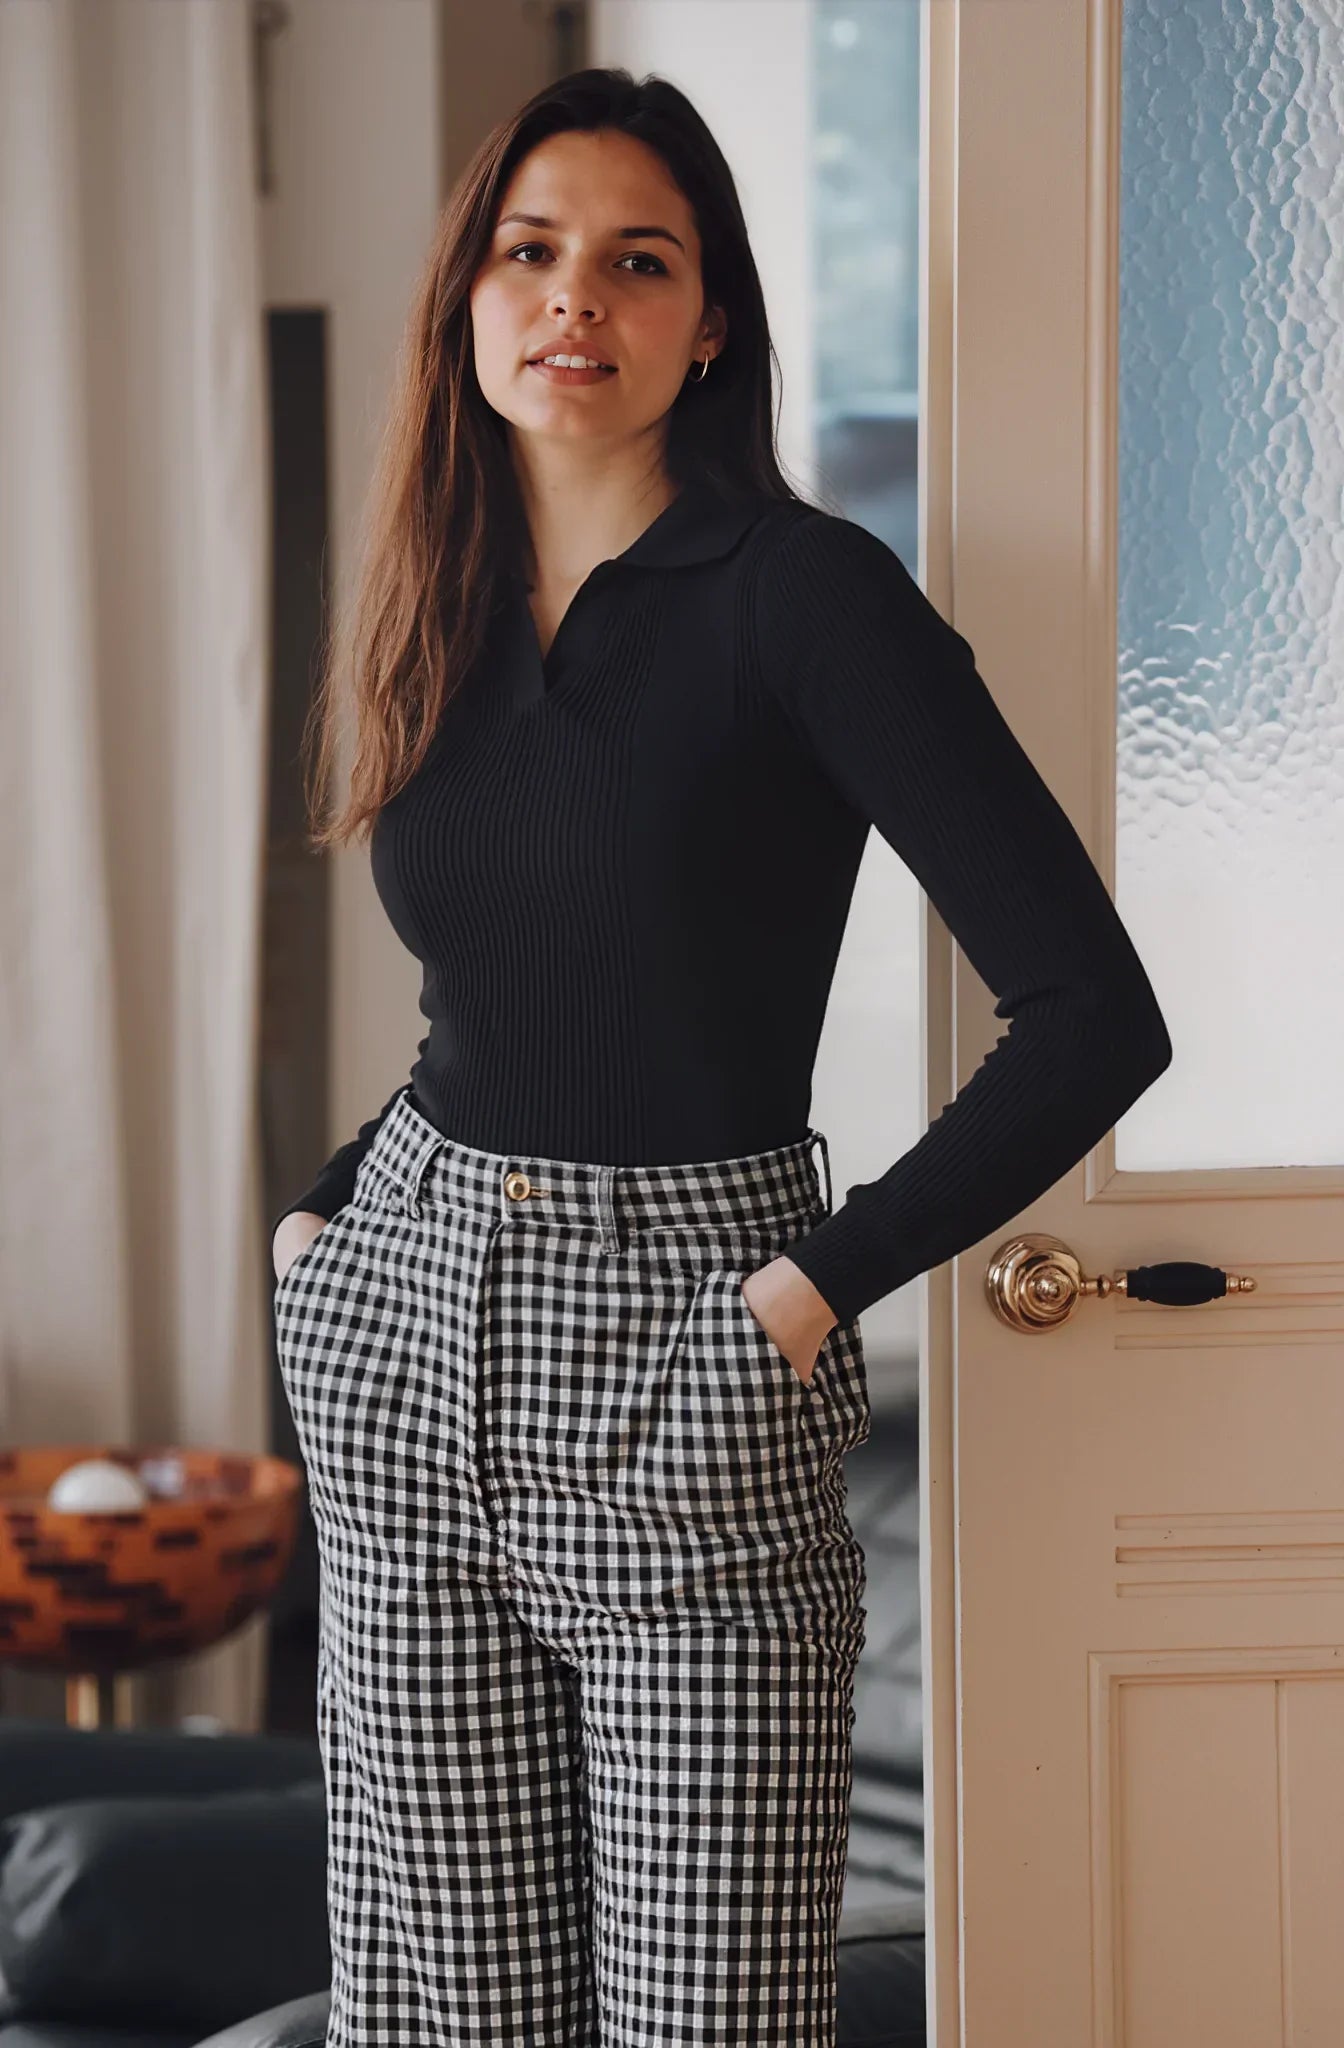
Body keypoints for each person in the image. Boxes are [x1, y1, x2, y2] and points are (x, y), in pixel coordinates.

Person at [269, 66, 1171, 2048]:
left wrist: (803, 1290)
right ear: (467, 297)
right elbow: (490, 1005)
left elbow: (1095, 1016)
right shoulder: (433, 597)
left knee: (709, 2024)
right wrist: (322, 1230)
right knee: (440, 2022)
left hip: (689, 1355)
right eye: (529, 252)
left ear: (709, 323)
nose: (572, 298)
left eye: (637, 261)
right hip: (403, 1335)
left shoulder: (804, 599)